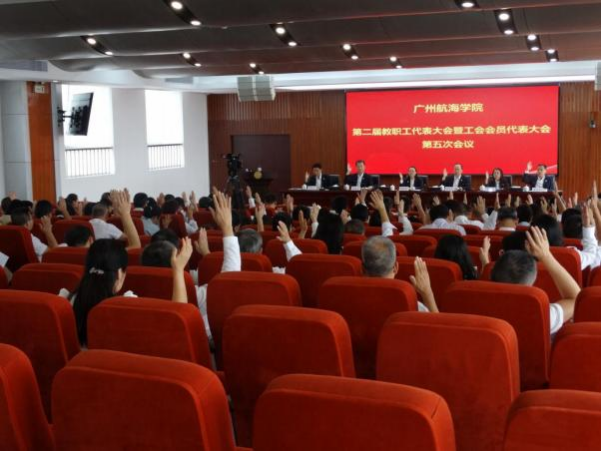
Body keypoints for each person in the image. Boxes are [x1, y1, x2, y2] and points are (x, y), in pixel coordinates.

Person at [68, 237, 192, 347]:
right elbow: (176, 326)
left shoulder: (68, 301)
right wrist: (178, 270)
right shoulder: (127, 307)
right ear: (119, 273)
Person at [490, 227, 580, 335]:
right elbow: (576, 299)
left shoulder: (474, 305)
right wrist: (546, 256)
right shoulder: (541, 315)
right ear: (532, 282)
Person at [362, 236, 438, 313]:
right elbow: (436, 321)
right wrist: (427, 293)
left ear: (362, 269)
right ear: (395, 267)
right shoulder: (412, 306)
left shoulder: (354, 298)